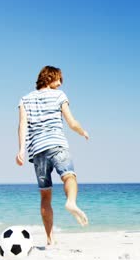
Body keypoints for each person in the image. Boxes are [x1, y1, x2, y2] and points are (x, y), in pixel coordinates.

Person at [16, 65, 89, 245]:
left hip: (38, 151)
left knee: (45, 196)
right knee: (69, 177)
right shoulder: (59, 95)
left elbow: (22, 125)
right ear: (50, 77)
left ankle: (49, 239)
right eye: (59, 79)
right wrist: (82, 131)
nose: (61, 83)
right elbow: (71, 122)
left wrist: (21, 150)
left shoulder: (25, 99)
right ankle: (71, 202)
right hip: (57, 144)